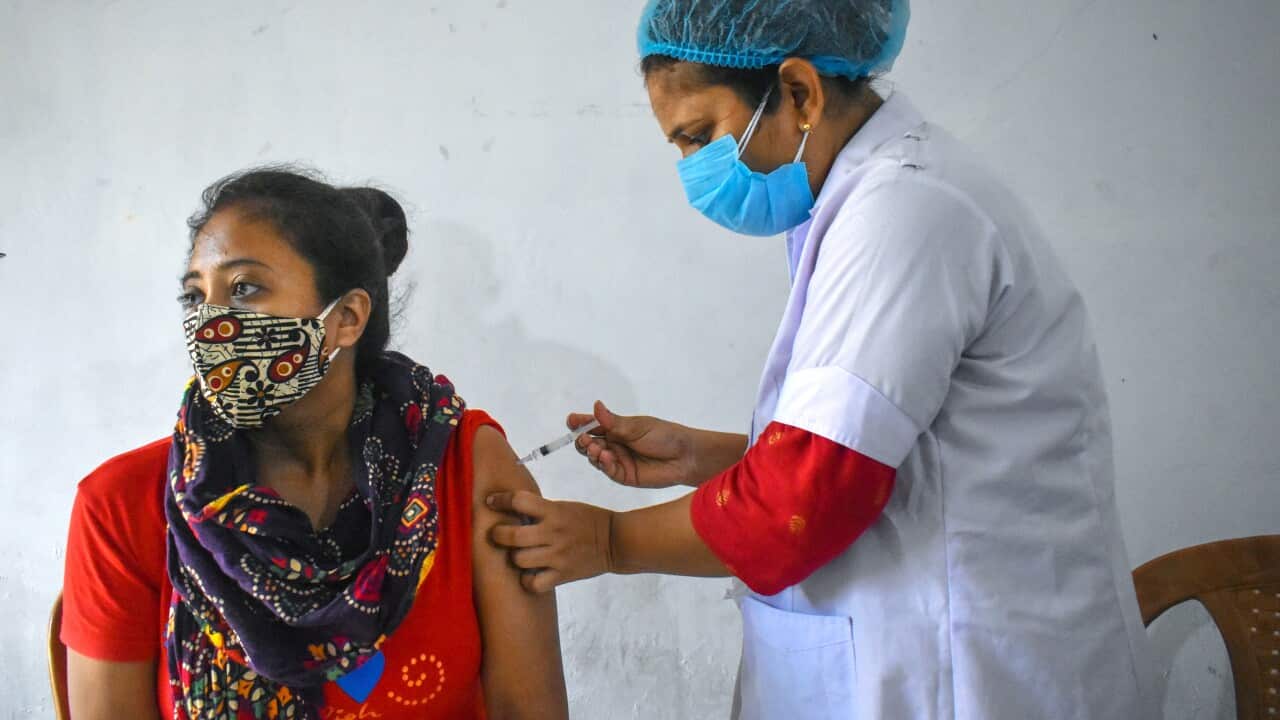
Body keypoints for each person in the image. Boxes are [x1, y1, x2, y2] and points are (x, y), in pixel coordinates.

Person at [489, 1, 1159, 718]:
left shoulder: (906, 210)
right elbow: (893, 457)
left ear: (800, 92)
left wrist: (609, 539)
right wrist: (704, 456)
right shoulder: (868, 200)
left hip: (974, 672)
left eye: (701, 136)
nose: (692, 171)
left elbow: (801, 502)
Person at [61, 168, 569, 720]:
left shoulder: (463, 468)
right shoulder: (121, 504)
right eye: (194, 297)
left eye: (244, 288)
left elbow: (530, 708)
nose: (210, 323)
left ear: (346, 318)